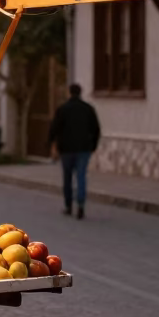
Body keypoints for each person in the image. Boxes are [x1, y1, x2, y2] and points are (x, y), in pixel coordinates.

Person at [48, 83, 101, 220]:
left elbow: (54, 129)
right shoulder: (88, 109)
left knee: (67, 177)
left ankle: (68, 205)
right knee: (81, 176)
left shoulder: (63, 109)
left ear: (69, 93)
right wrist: (93, 146)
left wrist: (52, 145)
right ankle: (81, 205)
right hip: (84, 148)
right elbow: (96, 129)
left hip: (66, 149)